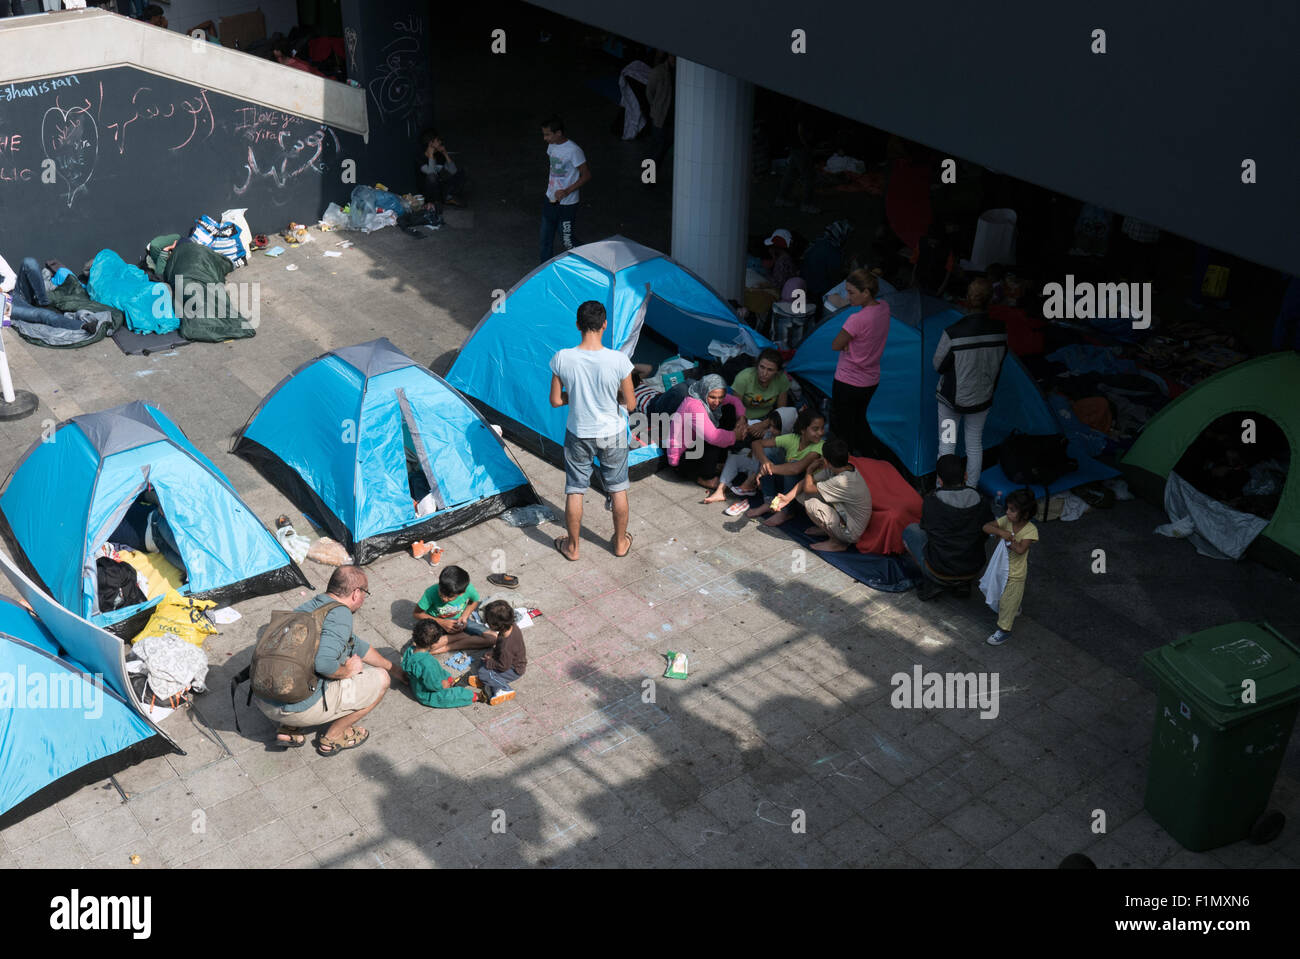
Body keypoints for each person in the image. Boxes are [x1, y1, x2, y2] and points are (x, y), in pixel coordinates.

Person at [254, 566, 400, 756]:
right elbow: (323, 664)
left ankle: (288, 729)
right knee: (382, 679)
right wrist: (348, 671)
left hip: (265, 699)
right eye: (365, 593)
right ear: (356, 593)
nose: (364, 599)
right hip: (293, 709)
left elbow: (354, 644)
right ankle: (333, 737)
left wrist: (395, 669)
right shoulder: (341, 615)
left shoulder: (311, 608)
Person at [550, 300, 636, 560]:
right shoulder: (619, 360)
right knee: (618, 487)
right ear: (605, 325)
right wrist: (614, 398)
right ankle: (620, 543)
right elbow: (630, 403)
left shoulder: (562, 358)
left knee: (575, 489)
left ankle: (573, 547)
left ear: (578, 325)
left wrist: (573, 397)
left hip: (579, 432)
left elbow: (555, 401)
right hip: (613, 432)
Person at [932, 277, 1007, 488]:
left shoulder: (953, 332)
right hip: (982, 399)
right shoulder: (1000, 330)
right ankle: (972, 489)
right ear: (990, 300)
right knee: (974, 444)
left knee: (947, 445)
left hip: (950, 401)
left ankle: (942, 489)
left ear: (966, 299)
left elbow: (938, 365)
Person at [903, 453, 993, 600]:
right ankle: (962, 584)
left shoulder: (931, 500)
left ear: (939, 480)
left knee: (910, 531)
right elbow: (986, 533)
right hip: (972, 568)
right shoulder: (980, 500)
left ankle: (934, 583)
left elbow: (926, 529)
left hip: (939, 569)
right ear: (965, 476)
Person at [661, 374, 759, 493]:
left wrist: (741, 418)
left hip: (695, 446)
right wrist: (735, 436)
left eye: (720, 397)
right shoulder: (693, 405)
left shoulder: (709, 397)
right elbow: (713, 437)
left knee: (729, 409)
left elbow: (734, 400)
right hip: (682, 461)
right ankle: (704, 477)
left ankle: (719, 463)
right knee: (714, 437)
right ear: (704, 392)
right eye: (712, 397)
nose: (717, 402)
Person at [830, 268, 890, 457]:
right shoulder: (884, 308)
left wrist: (847, 343)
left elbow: (835, 345)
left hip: (848, 381)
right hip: (871, 381)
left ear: (866, 292)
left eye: (851, 292)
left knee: (844, 427)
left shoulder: (856, 319)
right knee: (859, 419)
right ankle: (871, 457)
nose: (848, 297)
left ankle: (846, 463)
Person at [782, 436, 872, 550]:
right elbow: (806, 483)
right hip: (845, 513)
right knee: (802, 495)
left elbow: (808, 488)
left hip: (851, 531)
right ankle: (828, 529)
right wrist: (787, 498)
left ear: (825, 461)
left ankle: (838, 542)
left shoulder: (843, 481)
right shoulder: (840, 468)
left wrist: (809, 470)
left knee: (811, 503)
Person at [737, 408, 826, 520]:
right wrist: (765, 462)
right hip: (787, 484)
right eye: (815, 429)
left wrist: (767, 469)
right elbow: (756, 443)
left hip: (803, 490)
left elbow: (796, 468)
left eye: (822, 428)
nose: (821, 432)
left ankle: (786, 511)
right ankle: (769, 502)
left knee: (791, 467)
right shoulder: (793, 439)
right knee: (768, 454)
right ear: (803, 430)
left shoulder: (820, 446)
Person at [982, 489, 1039, 646]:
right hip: (1001, 569)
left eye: (1012, 510)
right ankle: (1014, 607)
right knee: (1004, 596)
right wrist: (1000, 531)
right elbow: (986, 527)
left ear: (1025, 514)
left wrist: (1010, 540)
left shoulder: (1030, 530)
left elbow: (1021, 550)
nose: (1007, 512)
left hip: (1016, 575)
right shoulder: (1006, 522)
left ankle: (1004, 630)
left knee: (1007, 601)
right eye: (1007, 508)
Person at [0, 254, 97, 334]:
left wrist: (2, 288)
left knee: (29, 262)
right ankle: (81, 325)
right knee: (42, 315)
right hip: (6, 305)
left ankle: (43, 302)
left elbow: (11, 277)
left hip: (15, 291)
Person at [540, 115, 591, 262]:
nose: (545, 138)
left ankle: (589, 260)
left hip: (567, 204)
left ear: (559, 133)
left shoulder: (574, 151)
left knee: (567, 240)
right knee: (545, 239)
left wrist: (567, 191)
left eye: (547, 134)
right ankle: (544, 268)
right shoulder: (552, 146)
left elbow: (586, 175)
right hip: (550, 199)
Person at [402, 620, 484, 708]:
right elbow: (432, 685)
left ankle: (449, 679)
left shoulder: (410, 650)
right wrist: (442, 685)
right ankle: (475, 696)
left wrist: (445, 677)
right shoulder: (427, 663)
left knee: (437, 672)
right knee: (452, 695)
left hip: (418, 685)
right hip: (427, 695)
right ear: (435, 643)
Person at [413, 565, 494, 653]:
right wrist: (442, 622)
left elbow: (474, 601)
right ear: (439, 584)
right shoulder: (430, 592)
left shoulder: (468, 589)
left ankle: (448, 647)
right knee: (417, 647)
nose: (444, 599)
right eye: (441, 594)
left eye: (449, 597)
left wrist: (464, 616)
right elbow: (417, 613)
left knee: (492, 638)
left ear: (461, 593)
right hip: (436, 623)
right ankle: (462, 636)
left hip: (458, 621)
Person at [467, 600, 527, 706]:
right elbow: (500, 648)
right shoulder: (511, 627)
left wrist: (489, 662)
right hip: (510, 661)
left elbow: (503, 666)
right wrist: (493, 653)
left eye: (488, 622)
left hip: (514, 669)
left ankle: (504, 689)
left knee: (484, 671)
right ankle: (488, 680)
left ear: (495, 625)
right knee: (483, 663)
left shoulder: (506, 646)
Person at [730, 348, 792, 423]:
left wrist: (765, 424)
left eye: (770, 370)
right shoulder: (744, 378)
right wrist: (744, 424)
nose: (764, 373)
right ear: (757, 365)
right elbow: (736, 408)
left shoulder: (782, 380)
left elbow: (781, 410)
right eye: (762, 367)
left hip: (768, 417)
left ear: (777, 372)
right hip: (744, 417)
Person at [419, 130, 465, 217]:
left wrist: (445, 153)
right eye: (437, 140)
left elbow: (453, 171)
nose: (440, 142)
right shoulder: (420, 158)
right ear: (430, 143)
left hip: (441, 187)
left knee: (460, 173)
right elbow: (431, 173)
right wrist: (431, 155)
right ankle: (436, 202)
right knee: (432, 177)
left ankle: (447, 197)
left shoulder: (439, 155)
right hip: (428, 191)